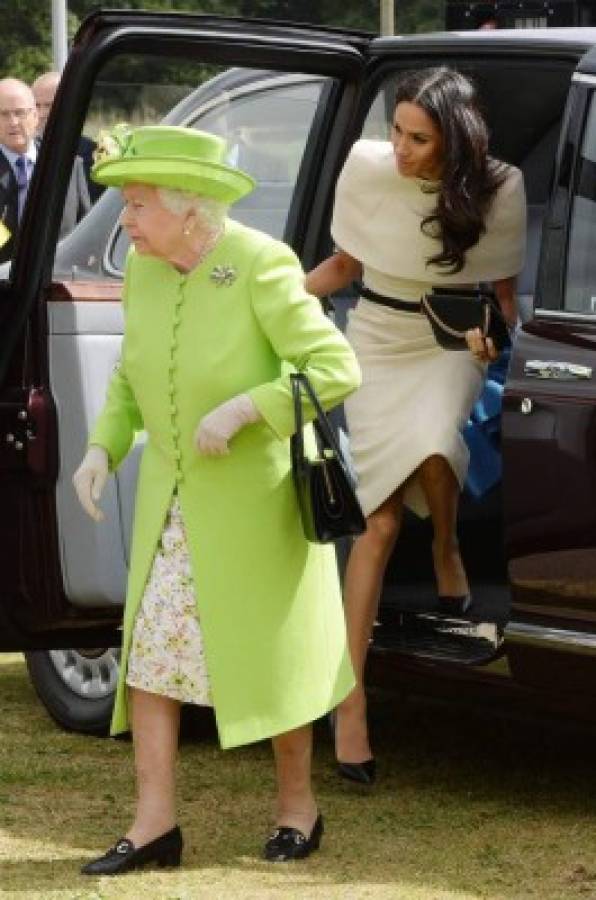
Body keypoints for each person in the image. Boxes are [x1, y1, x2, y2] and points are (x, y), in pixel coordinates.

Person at [72, 124, 361, 875]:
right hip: (170, 505)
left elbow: (335, 366)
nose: (126, 222)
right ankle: (154, 826)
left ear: (190, 209)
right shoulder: (144, 272)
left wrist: (246, 408)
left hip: (256, 506)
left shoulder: (261, 263)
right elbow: (131, 375)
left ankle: (298, 808)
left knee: (271, 656)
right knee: (149, 657)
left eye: (137, 205)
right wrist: (102, 448)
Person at [305, 67, 526, 784]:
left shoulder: (499, 188)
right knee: (377, 522)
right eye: (396, 130)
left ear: (452, 141)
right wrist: (276, 302)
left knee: (435, 447)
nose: (399, 148)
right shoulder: (370, 170)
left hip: (448, 346)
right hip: (375, 339)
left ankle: (447, 545)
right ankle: (350, 702)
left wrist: (503, 343)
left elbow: (503, 299)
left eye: (418, 138)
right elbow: (344, 264)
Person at [31, 70, 93, 236]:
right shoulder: (20, 156)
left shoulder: (90, 156)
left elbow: (88, 220)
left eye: (49, 105)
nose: (42, 113)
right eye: (36, 106)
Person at [0, 78, 38, 263]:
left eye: (20, 113)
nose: (13, 122)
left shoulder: (68, 166)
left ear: (35, 116)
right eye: (3, 114)